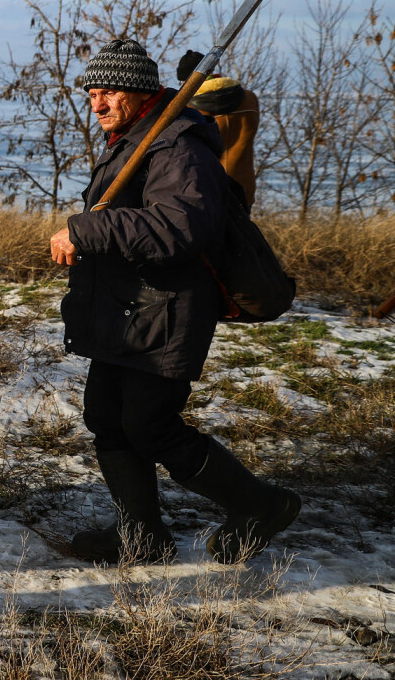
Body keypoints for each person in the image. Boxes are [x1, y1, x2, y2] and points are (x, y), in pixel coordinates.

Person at [49, 38, 300, 565]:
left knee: (149, 425)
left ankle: (260, 505)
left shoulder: (178, 145)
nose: (97, 105)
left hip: (168, 309)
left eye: (108, 92)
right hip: (130, 308)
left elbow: (179, 226)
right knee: (107, 416)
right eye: (92, 93)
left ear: (140, 92)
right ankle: (141, 537)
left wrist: (86, 229)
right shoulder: (136, 137)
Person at [176, 49, 261, 208]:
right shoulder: (249, 99)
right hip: (243, 189)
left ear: (187, 81)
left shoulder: (185, 109)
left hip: (204, 190)